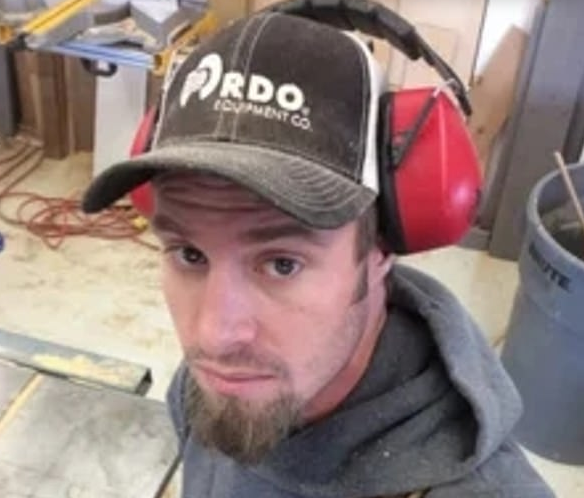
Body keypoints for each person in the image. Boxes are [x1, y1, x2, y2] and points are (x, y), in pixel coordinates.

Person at [82, 6, 555, 498]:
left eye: (281, 264)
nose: (214, 336)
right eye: (190, 255)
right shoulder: (222, 385)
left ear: (381, 248)